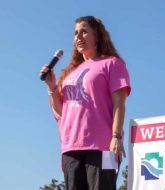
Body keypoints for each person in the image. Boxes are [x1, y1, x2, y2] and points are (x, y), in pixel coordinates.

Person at [39, 16, 131, 190]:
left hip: (105, 146)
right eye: (75, 33)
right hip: (71, 147)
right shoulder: (70, 73)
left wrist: (116, 136)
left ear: (97, 36)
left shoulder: (112, 64)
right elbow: (61, 111)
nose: (78, 36)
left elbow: (120, 103)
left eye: (84, 31)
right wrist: (52, 87)